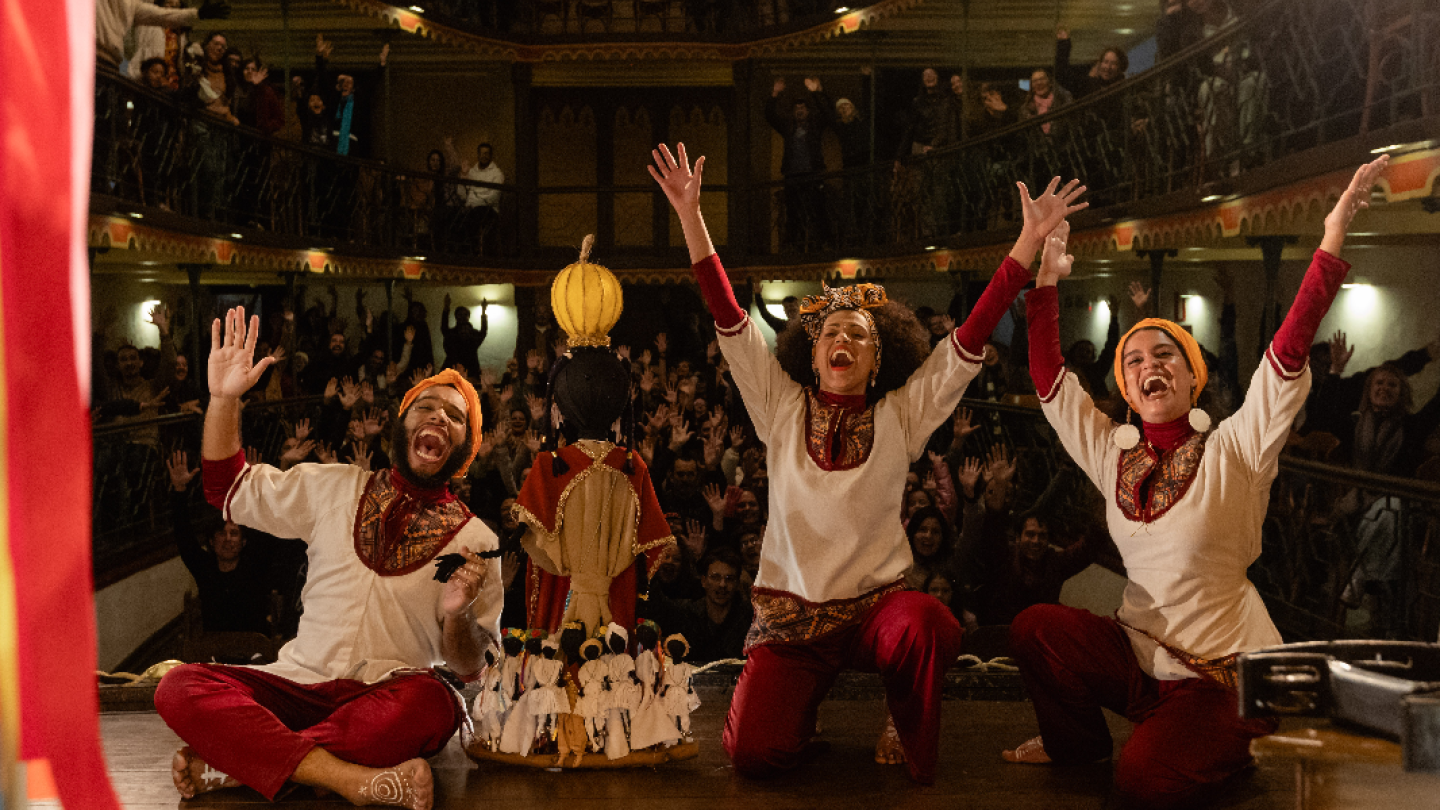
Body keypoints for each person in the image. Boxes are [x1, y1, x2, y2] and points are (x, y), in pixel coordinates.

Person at [649, 140, 1087, 784]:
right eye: (831, 331)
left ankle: (899, 717)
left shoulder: (900, 415)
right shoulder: (780, 405)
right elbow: (730, 319)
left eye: (859, 334)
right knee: (753, 755)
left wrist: (1026, 246)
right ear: (812, 347)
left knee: (930, 622)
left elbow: (966, 342)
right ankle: (800, 719)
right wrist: (690, 212)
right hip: (791, 623)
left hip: (874, 616)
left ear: (878, 361)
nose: (843, 338)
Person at [1002, 156, 1390, 808]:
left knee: (1145, 779)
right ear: (1126, 390)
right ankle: (1079, 745)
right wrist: (1044, 277)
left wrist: (1331, 236)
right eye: (1133, 360)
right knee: (1035, 627)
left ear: (1189, 379)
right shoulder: (1111, 453)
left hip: (1223, 679)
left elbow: (1286, 355)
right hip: (1141, 660)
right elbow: (1048, 383)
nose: (1149, 365)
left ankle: (1216, 749)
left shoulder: (1236, 448)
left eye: (1165, 356)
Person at [154, 308, 503, 809]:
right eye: (426, 406)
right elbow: (226, 486)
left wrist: (457, 615)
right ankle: (348, 780)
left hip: (383, 697)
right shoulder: (336, 484)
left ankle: (240, 765)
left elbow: (470, 668)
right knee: (178, 686)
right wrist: (225, 398)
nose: (439, 418)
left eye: (455, 417)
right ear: (400, 425)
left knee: (435, 703)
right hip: (295, 686)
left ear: (465, 447)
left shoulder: (477, 538)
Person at [766, 77, 833, 251]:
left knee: (818, 210)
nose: (799, 111)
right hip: (792, 174)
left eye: (802, 108)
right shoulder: (788, 128)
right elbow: (770, 116)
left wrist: (817, 93)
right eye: (797, 108)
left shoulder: (815, 126)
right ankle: (792, 246)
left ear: (808, 111)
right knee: (793, 212)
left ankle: (824, 244)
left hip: (813, 173)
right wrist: (775, 95)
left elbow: (828, 113)